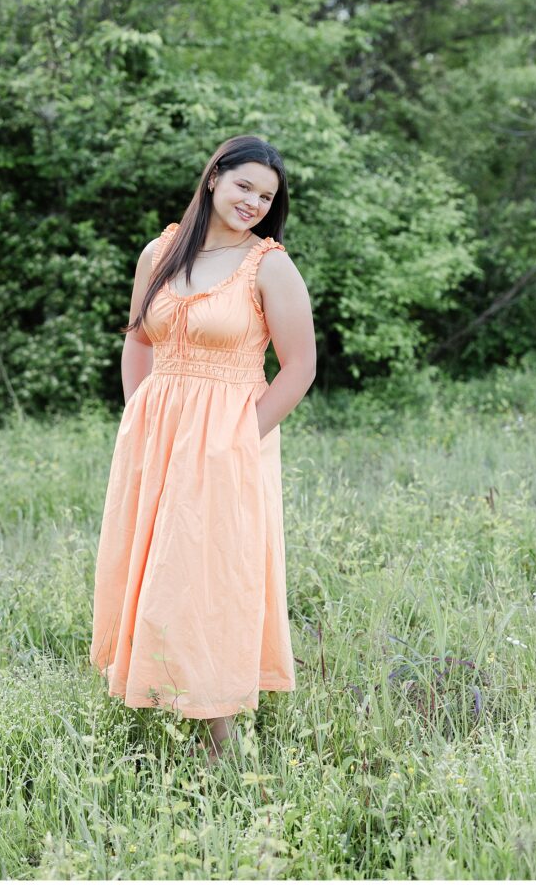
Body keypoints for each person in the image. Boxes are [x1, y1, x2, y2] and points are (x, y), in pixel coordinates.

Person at [89, 134, 316, 765]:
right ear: (215, 177)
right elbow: (139, 340)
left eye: (266, 196)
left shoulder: (269, 266)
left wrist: (241, 438)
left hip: (228, 438)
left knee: (211, 571)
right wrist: (137, 413)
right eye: (245, 185)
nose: (254, 202)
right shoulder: (160, 252)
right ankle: (158, 700)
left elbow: (299, 368)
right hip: (157, 433)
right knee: (153, 562)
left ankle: (222, 741)